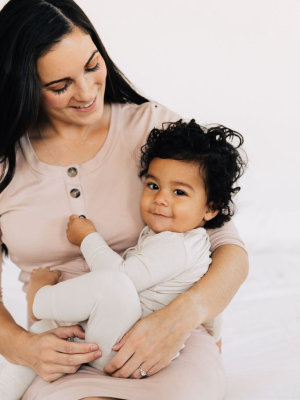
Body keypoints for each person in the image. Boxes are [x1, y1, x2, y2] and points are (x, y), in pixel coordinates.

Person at [0, 0, 248, 399]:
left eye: (92, 65)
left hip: (163, 340)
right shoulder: (5, 164)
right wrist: (21, 346)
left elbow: (229, 249)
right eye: (59, 86)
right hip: (57, 351)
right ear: (23, 86)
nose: (85, 93)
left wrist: (182, 318)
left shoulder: (151, 127)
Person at [0, 120, 246, 399]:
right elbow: (212, 304)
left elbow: (120, 276)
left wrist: (87, 237)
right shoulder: (175, 239)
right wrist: (216, 335)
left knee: (115, 286)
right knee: (44, 338)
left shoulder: (178, 245)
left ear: (211, 209)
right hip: (110, 335)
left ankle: (41, 299)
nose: (161, 199)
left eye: (179, 192)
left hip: (128, 348)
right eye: (153, 185)